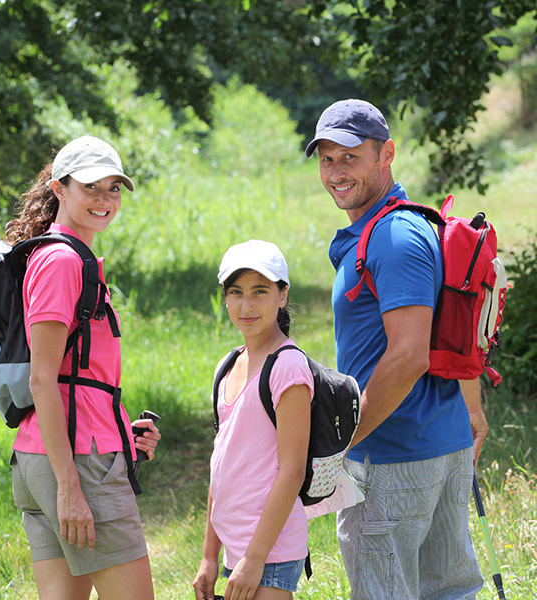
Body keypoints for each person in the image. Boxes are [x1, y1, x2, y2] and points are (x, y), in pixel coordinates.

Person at [305, 100, 486, 599]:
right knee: (449, 592)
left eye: (350, 157)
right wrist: (472, 409)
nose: (336, 172)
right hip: (439, 444)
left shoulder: (394, 238)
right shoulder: (399, 226)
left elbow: (410, 356)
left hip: (393, 455)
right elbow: (449, 326)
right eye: (326, 159)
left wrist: (341, 441)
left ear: (386, 154)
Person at [5, 135, 160, 600]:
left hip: (48, 455)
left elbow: (79, 377)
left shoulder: (71, 257)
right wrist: (70, 487)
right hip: (75, 463)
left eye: (114, 188)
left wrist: (120, 433)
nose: (104, 199)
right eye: (91, 186)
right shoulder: (61, 261)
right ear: (59, 189)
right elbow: (42, 378)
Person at [193, 240, 314, 600]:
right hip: (236, 548)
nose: (246, 305)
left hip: (268, 551)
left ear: (282, 294)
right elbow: (221, 466)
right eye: (236, 292)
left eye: (260, 291)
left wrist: (255, 558)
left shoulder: (288, 367)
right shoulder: (228, 364)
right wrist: (208, 557)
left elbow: (292, 471)